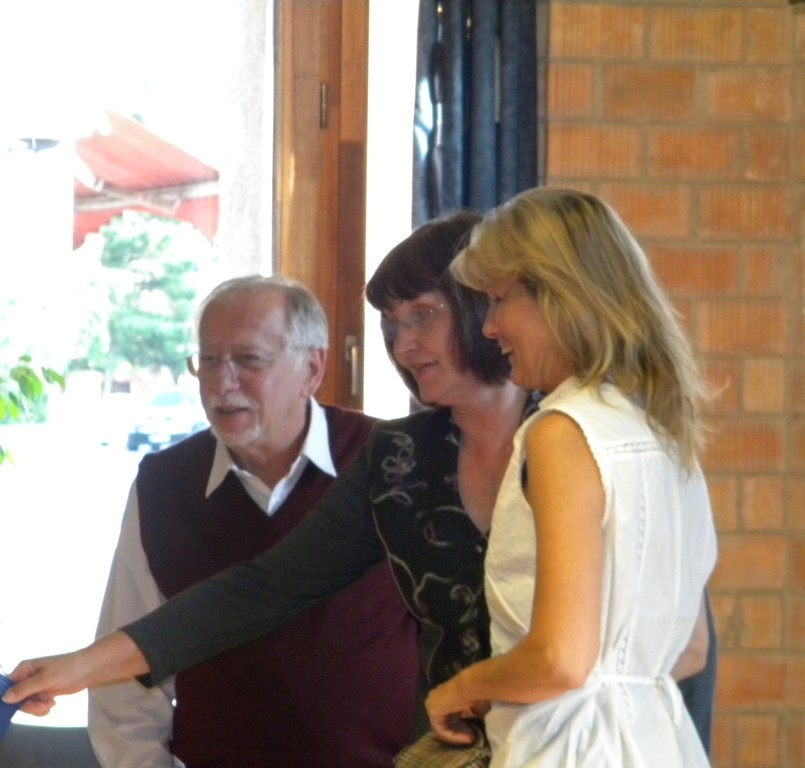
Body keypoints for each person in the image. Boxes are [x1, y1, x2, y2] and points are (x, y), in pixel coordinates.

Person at [3, 209, 718, 756]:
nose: (404, 345)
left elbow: (681, 650)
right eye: (391, 325)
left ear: (485, 307)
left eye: (424, 316)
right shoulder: (399, 458)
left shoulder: (579, 435)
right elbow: (262, 590)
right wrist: (79, 667)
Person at [424, 186, 718, 767]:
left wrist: (460, 688)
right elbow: (690, 650)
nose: (490, 327)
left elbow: (559, 659)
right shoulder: (661, 425)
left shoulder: (563, 431)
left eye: (500, 300)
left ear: (560, 296)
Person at [87, 275, 420, 768]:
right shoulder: (165, 485)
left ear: (312, 368)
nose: (223, 383)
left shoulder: (393, 462)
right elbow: (124, 688)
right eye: (209, 360)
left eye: (249, 359)